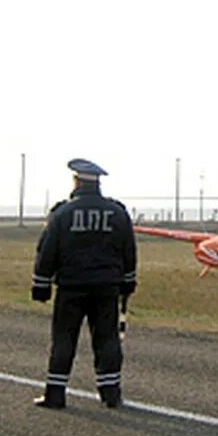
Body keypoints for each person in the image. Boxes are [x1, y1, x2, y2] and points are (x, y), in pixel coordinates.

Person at [31, 158, 138, 409]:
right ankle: (111, 392)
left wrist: (41, 284)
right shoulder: (117, 212)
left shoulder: (63, 212)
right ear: (98, 183)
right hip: (107, 287)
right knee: (107, 339)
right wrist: (128, 282)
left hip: (72, 287)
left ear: (77, 181)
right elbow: (129, 251)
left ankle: (55, 394)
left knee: (64, 339)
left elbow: (47, 250)